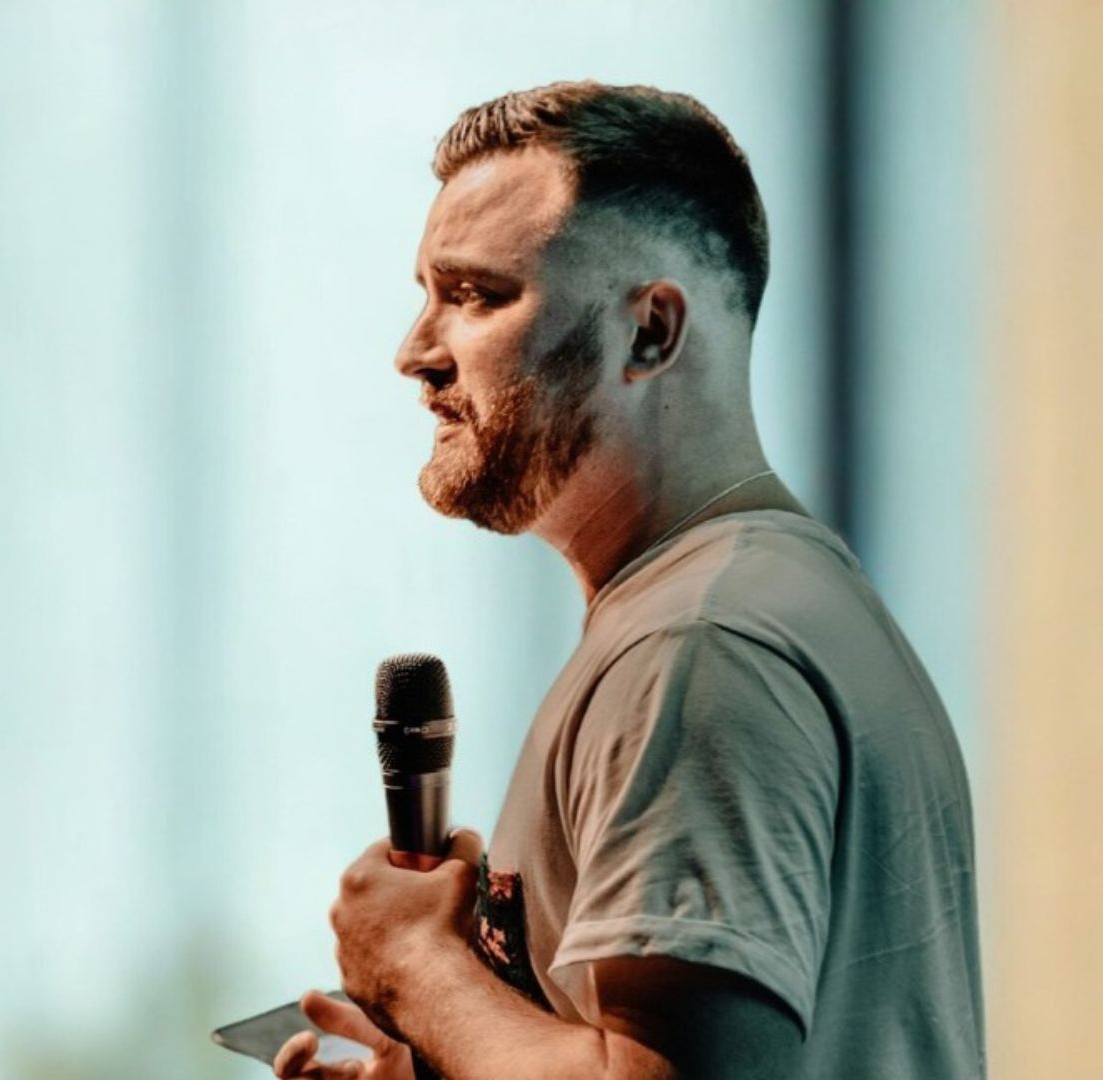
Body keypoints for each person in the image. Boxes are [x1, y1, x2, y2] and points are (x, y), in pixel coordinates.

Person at [277, 81, 983, 1080]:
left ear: (650, 332)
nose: (415, 353)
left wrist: (414, 966)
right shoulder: (762, 602)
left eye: (475, 295)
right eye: (426, 294)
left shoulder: (697, 648)